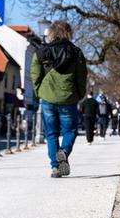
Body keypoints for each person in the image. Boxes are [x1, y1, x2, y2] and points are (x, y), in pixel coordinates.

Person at [31, 20, 87, 178]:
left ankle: (55, 168)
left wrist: (38, 92)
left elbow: (35, 75)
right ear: (69, 33)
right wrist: (79, 94)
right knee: (70, 130)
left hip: (47, 97)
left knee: (51, 133)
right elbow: (81, 77)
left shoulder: (41, 52)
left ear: (51, 33)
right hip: (68, 97)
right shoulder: (77, 53)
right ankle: (64, 151)